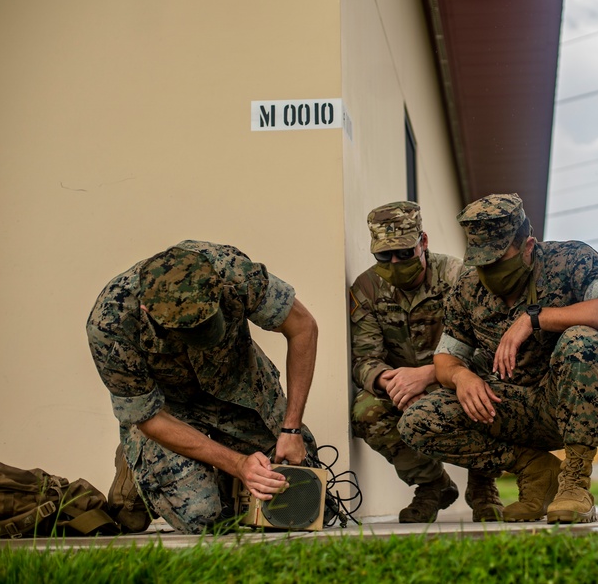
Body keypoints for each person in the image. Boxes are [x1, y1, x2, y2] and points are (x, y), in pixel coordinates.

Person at [398, 193, 598, 524]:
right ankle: (535, 469)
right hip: (515, 407)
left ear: (528, 246)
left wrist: (534, 318)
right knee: (418, 420)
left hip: (578, 401)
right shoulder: (467, 289)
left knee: (581, 341)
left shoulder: (570, 259)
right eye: (481, 264)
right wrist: (462, 377)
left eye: (497, 261)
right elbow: (446, 359)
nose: (489, 272)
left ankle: (575, 484)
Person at [87, 240, 321, 533]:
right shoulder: (111, 323)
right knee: (204, 517)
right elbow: (148, 418)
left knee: (299, 491)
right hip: (167, 411)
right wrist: (237, 464)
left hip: (237, 390)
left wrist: (291, 428)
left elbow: (302, 327)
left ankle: (226, 481)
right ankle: (136, 460)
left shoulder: (231, 271)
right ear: (147, 311)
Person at [350, 201, 502, 523]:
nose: (394, 263)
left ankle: (483, 483)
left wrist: (430, 376)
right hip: (401, 389)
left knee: (491, 393)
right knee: (365, 411)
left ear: (424, 242)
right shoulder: (366, 289)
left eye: (404, 253)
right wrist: (394, 385)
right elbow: (365, 359)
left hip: (457, 378)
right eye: (384, 256)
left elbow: (488, 347)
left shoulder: (460, 278)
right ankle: (433, 485)